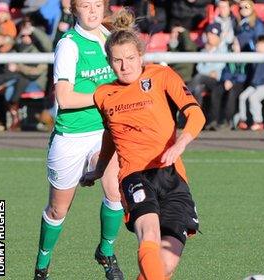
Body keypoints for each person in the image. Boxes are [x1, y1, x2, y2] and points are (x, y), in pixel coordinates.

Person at [80, 15, 205, 279]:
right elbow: (111, 135)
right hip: (135, 175)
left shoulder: (161, 75)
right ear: (109, 62)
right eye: (117, 60)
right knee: (149, 233)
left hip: (171, 174)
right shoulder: (103, 94)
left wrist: (180, 143)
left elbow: (196, 114)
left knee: (166, 264)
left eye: (130, 58)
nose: (124, 66)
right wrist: (100, 169)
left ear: (141, 55)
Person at [33, 2, 126, 279]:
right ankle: (42, 265)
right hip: (71, 137)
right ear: (75, 10)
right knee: (58, 210)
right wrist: (105, 98)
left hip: (104, 132)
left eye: (98, 4)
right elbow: (64, 97)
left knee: (115, 189)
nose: (93, 11)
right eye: (86, 5)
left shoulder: (110, 39)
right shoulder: (69, 45)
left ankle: (106, 252)